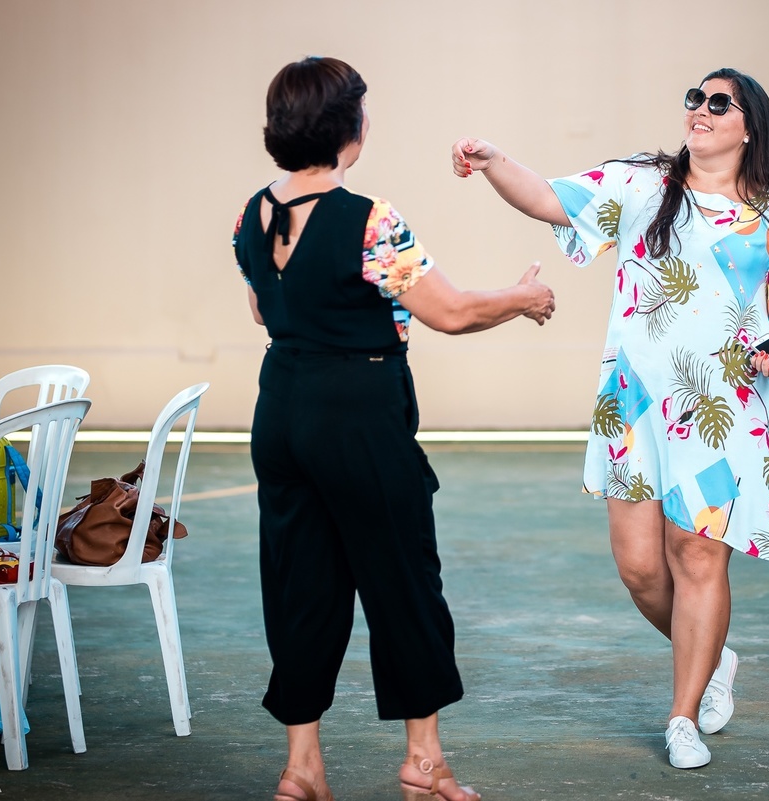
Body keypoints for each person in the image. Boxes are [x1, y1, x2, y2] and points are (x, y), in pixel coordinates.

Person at [451, 68, 769, 769]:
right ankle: (714, 656)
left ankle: (681, 716)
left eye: (720, 103)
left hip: (727, 409)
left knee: (697, 555)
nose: (702, 111)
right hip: (634, 406)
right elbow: (548, 199)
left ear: (750, 127)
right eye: (696, 99)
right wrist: (493, 158)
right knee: (638, 569)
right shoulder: (641, 184)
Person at [233, 56, 555, 801]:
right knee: (401, 577)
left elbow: (262, 307)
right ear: (349, 128)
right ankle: (423, 761)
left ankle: (302, 769)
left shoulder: (251, 214)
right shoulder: (369, 217)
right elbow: (450, 312)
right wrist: (521, 295)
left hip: (280, 407)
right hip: (359, 412)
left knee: (300, 583)